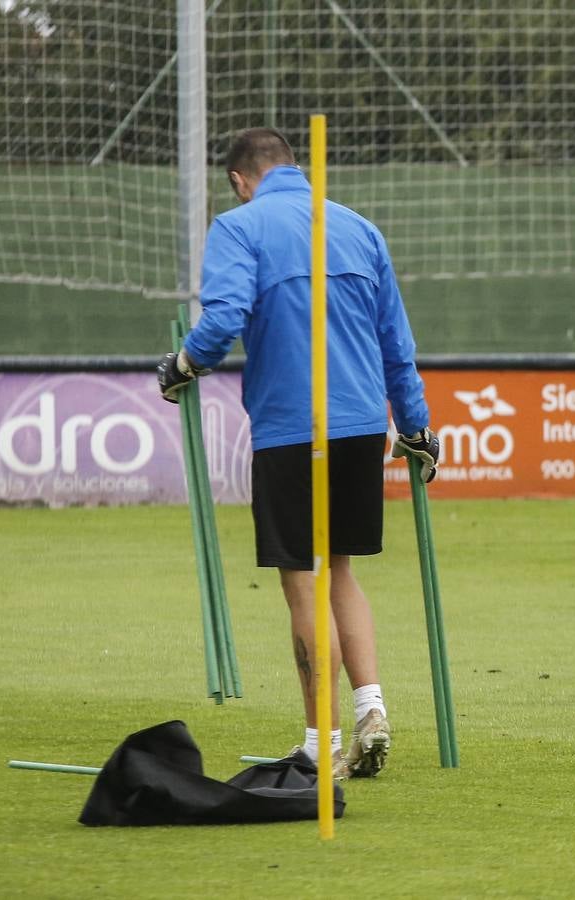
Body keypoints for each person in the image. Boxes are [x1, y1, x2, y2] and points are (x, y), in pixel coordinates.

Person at [156, 127, 440, 779]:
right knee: (339, 568)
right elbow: (396, 342)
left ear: (239, 180)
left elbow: (222, 319)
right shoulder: (359, 228)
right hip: (363, 423)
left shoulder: (239, 227)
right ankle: (372, 711)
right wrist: (417, 427)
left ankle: (321, 744)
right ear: (296, 167)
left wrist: (183, 363)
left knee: (300, 580)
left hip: (291, 427)